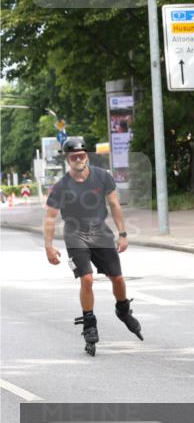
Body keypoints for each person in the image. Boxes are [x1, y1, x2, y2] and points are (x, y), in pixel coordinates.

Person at [44, 137, 143, 356]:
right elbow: (50, 217)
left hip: (100, 233)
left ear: (86, 155)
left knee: (117, 278)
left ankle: (123, 310)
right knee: (87, 278)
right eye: (73, 156)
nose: (78, 159)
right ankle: (89, 323)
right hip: (75, 234)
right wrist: (48, 246)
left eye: (81, 155)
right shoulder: (61, 186)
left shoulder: (102, 177)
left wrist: (123, 234)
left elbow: (115, 204)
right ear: (67, 159)